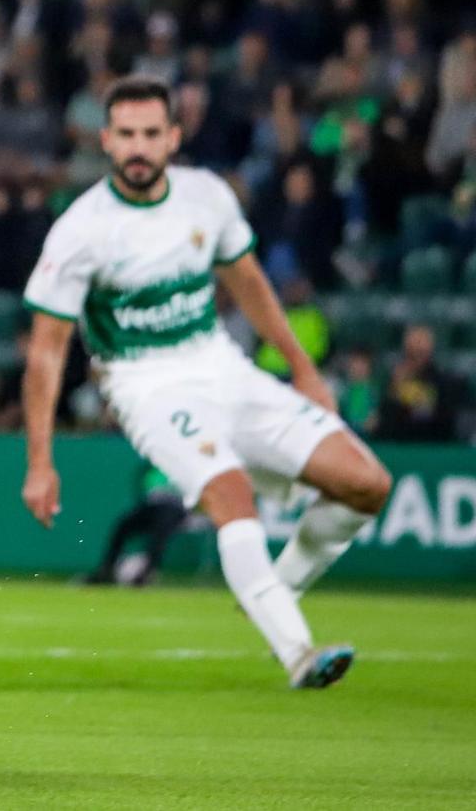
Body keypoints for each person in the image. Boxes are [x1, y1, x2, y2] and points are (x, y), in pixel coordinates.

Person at [20, 76, 393, 689]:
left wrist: (302, 368)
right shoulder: (80, 230)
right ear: (107, 141)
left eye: (150, 134)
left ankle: (272, 588)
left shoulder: (207, 197)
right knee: (230, 495)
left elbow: (248, 282)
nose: (138, 147)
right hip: (146, 387)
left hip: (222, 366)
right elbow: (45, 353)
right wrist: (40, 460)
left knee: (367, 484)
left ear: (172, 137)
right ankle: (297, 650)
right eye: (126, 135)